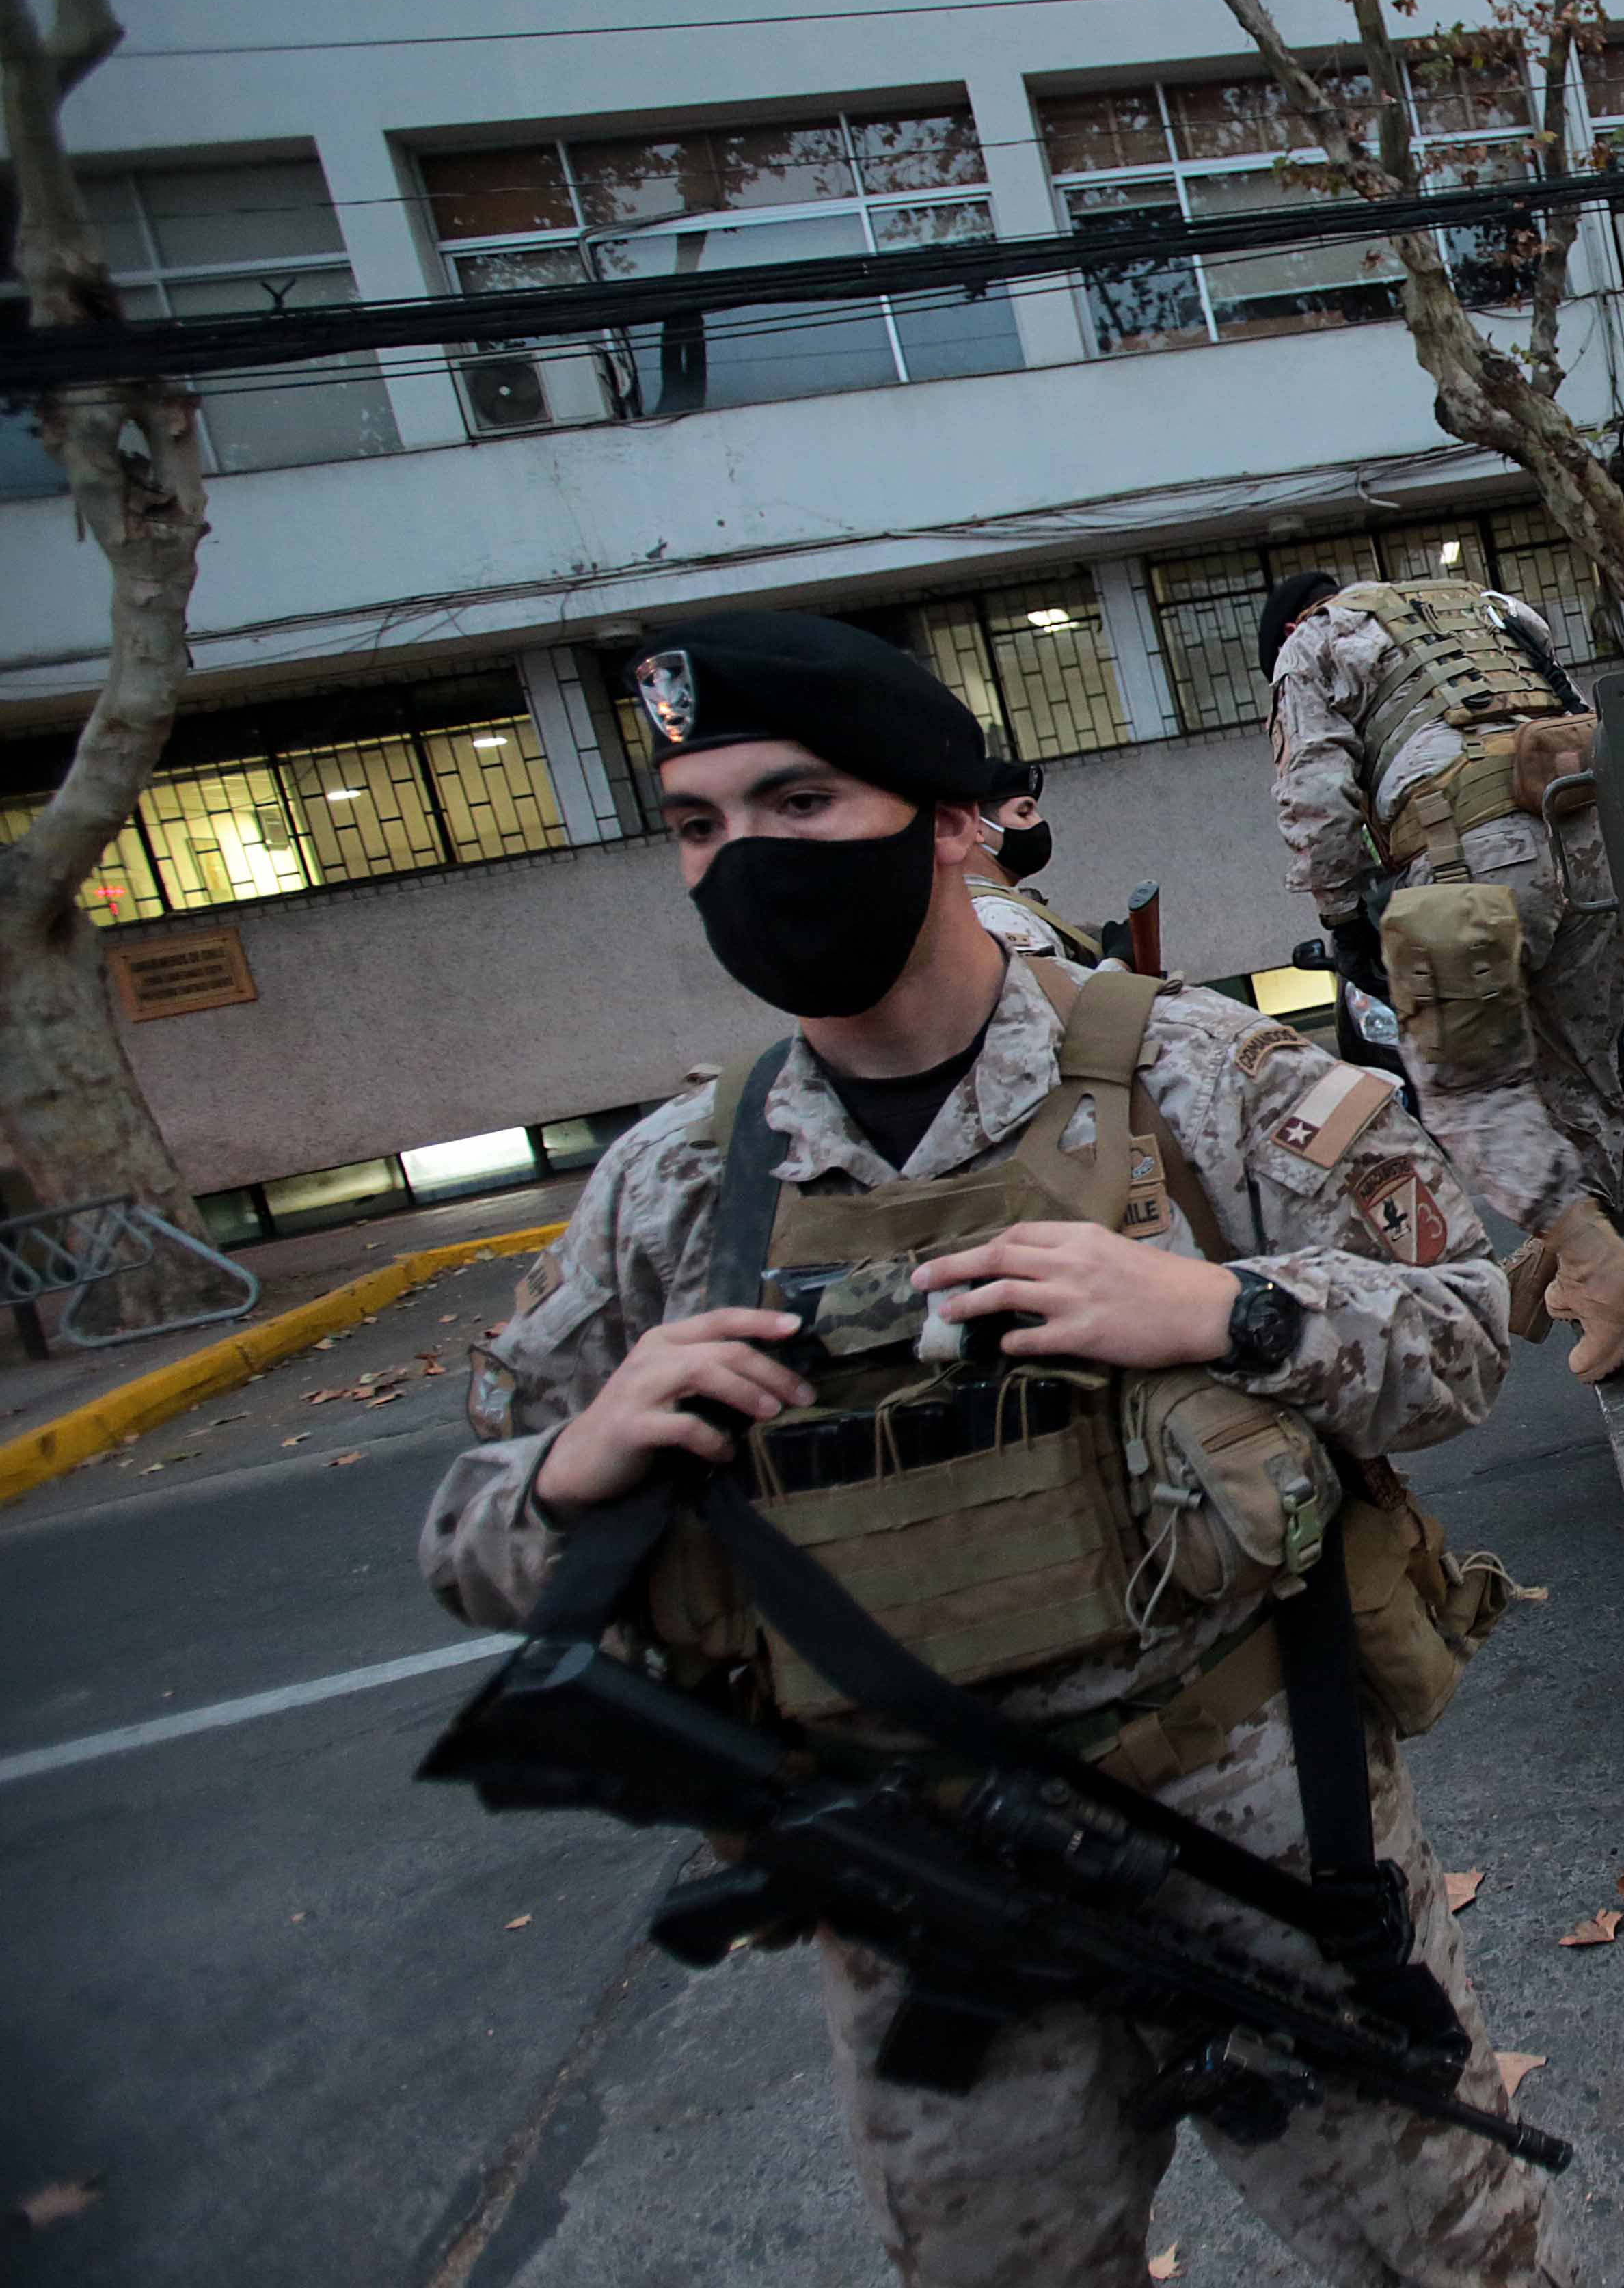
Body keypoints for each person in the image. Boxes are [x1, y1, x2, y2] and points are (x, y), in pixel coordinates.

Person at [422, 613, 1562, 2288]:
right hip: (913, 1882)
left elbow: (1465, 1336)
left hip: (1257, 1823)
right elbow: (466, 1545)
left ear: (956, 821)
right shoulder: (680, 1185)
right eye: (697, 825)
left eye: (798, 803)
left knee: (1465, 2271)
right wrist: (571, 1467)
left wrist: (1220, 1312)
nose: (744, 860)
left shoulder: (1198, 1071)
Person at [1268, 571, 1624, 1382]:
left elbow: (1314, 796)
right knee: (1583, 1070)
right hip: (1591, 834)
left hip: (1474, 856)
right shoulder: (1489, 607)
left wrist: (1345, 915)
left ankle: (1600, 1269)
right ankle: (1564, 1269)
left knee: (1462, 1085)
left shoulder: (1311, 645)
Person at [965, 755, 1105, 964]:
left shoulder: (995, 905)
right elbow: (1049, 994)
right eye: (1024, 813)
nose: (1039, 822)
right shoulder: (998, 914)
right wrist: (1120, 961)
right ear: (977, 827)